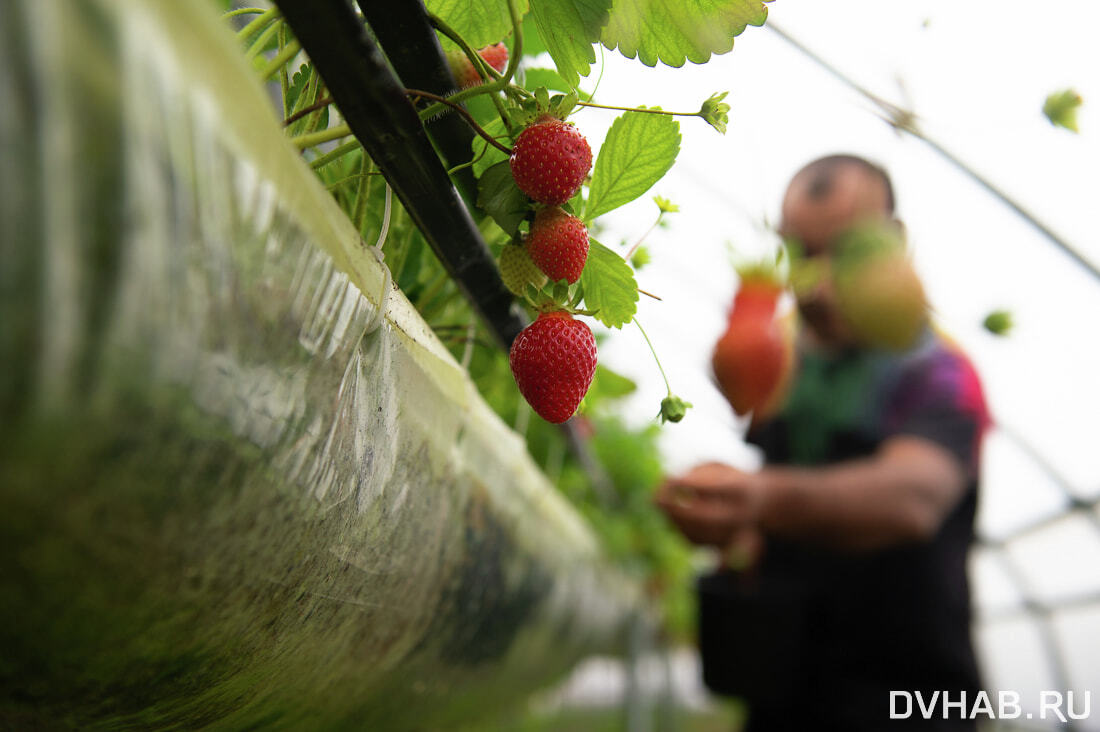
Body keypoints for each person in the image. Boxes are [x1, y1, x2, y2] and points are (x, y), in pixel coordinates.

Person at [656, 155, 991, 731]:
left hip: (913, 696)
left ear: (895, 242)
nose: (817, 280)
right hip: (784, 686)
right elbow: (773, 485)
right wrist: (732, 521)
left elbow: (913, 498)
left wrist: (760, 499)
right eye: (801, 254)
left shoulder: (937, 370)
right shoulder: (781, 358)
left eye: (845, 250)